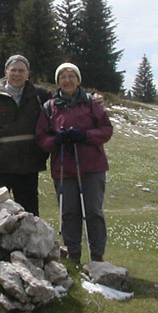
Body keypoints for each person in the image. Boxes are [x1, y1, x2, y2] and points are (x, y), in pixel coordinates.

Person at [36, 63, 113, 264]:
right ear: (58, 82)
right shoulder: (49, 107)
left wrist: (85, 136)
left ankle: (97, 256)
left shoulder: (91, 103)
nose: (67, 80)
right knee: (69, 212)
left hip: (92, 166)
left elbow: (106, 130)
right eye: (63, 77)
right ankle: (73, 255)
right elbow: (42, 138)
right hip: (64, 168)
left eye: (71, 76)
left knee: (93, 212)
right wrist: (56, 140)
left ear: (78, 80)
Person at [0, 55, 50, 215]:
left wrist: (90, 98)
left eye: (21, 71)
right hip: (0, 168)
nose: (17, 74)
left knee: (29, 215)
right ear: (6, 72)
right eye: (13, 70)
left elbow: (64, 99)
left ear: (28, 73)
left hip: (29, 167)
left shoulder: (40, 95)